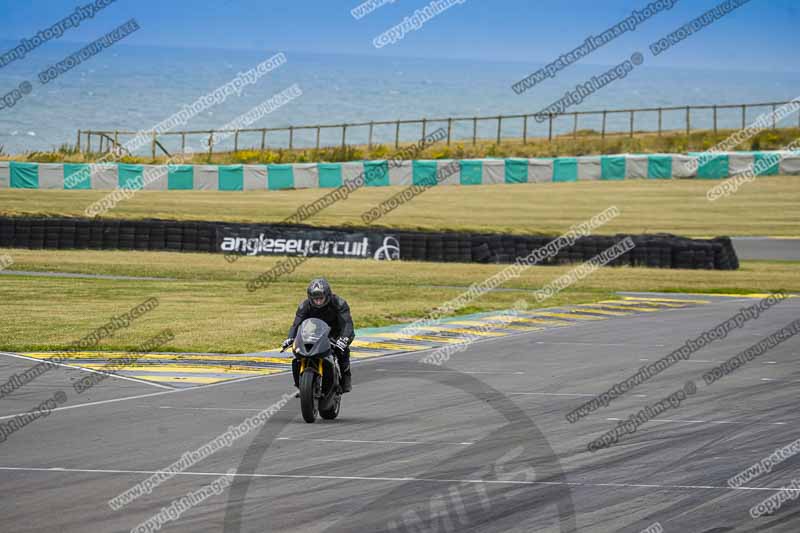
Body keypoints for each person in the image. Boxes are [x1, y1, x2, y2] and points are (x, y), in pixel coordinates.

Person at [283, 278, 353, 393]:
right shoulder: (304, 306)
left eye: (321, 298)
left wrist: (344, 338)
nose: (318, 301)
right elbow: (296, 324)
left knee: (342, 351)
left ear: (328, 295)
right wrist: (290, 338)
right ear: (310, 298)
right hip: (317, 331)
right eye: (315, 299)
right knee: (298, 352)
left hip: (338, 332)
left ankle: (345, 378)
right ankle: (301, 385)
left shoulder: (339, 303)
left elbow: (347, 323)